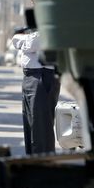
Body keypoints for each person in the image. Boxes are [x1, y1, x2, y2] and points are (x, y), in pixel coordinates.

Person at [12, 25, 59, 154]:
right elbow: (15, 39)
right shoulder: (35, 21)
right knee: (30, 125)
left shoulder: (49, 17)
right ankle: (33, 159)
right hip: (30, 75)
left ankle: (43, 162)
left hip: (43, 75)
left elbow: (36, 41)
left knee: (41, 127)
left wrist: (24, 39)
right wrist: (28, 40)